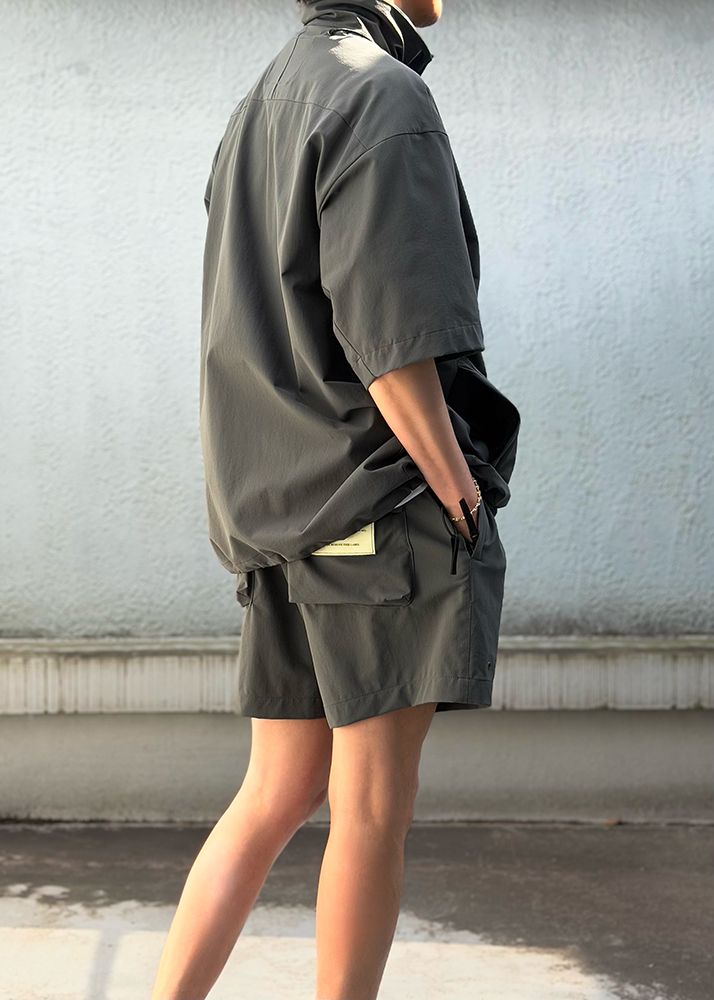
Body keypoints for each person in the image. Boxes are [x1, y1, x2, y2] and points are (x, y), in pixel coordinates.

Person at [151, 1, 520, 997]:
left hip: (281, 510)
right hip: (373, 501)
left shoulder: (264, 100)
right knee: (369, 810)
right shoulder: (381, 94)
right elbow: (392, 338)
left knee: (274, 792)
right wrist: (458, 492)